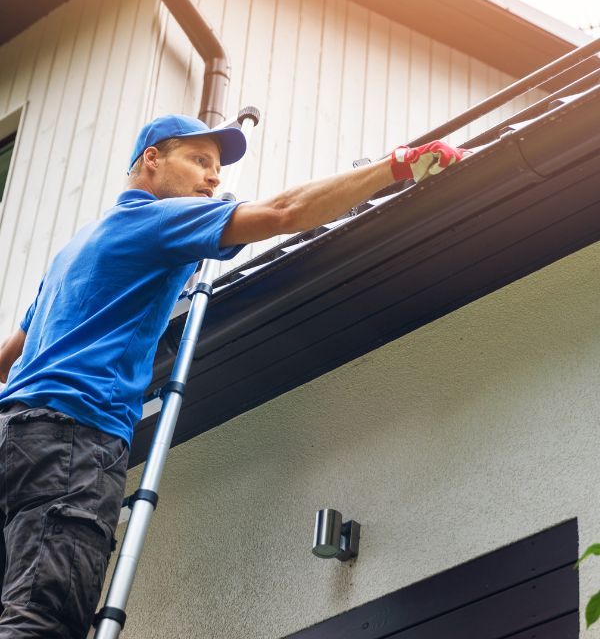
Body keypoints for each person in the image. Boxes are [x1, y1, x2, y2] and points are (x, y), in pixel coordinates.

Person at [0, 113, 465, 637]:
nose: (214, 178)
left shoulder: (71, 253)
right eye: (199, 161)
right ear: (151, 160)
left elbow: (8, 357)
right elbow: (283, 211)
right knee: (44, 620)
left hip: (15, 442)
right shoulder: (156, 220)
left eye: (217, 168)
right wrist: (395, 166)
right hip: (74, 441)